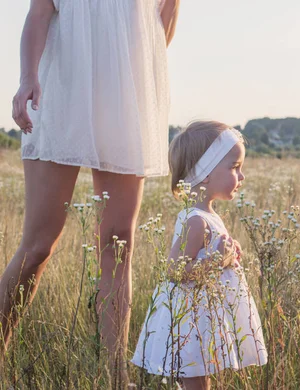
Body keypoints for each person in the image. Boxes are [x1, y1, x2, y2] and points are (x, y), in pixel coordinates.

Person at [4, 0, 180, 384]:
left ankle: (114, 376)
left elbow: (158, 30)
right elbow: (38, 14)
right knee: (38, 246)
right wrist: (26, 77)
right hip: (61, 94)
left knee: (119, 243)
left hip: (125, 102)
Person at [131, 121, 267, 390]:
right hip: (191, 317)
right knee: (194, 378)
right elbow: (175, 271)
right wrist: (218, 259)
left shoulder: (208, 215)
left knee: (200, 376)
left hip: (204, 313)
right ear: (205, 173)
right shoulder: (195, 221)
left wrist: (228, 251)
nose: (241, 177)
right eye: (234, 167)